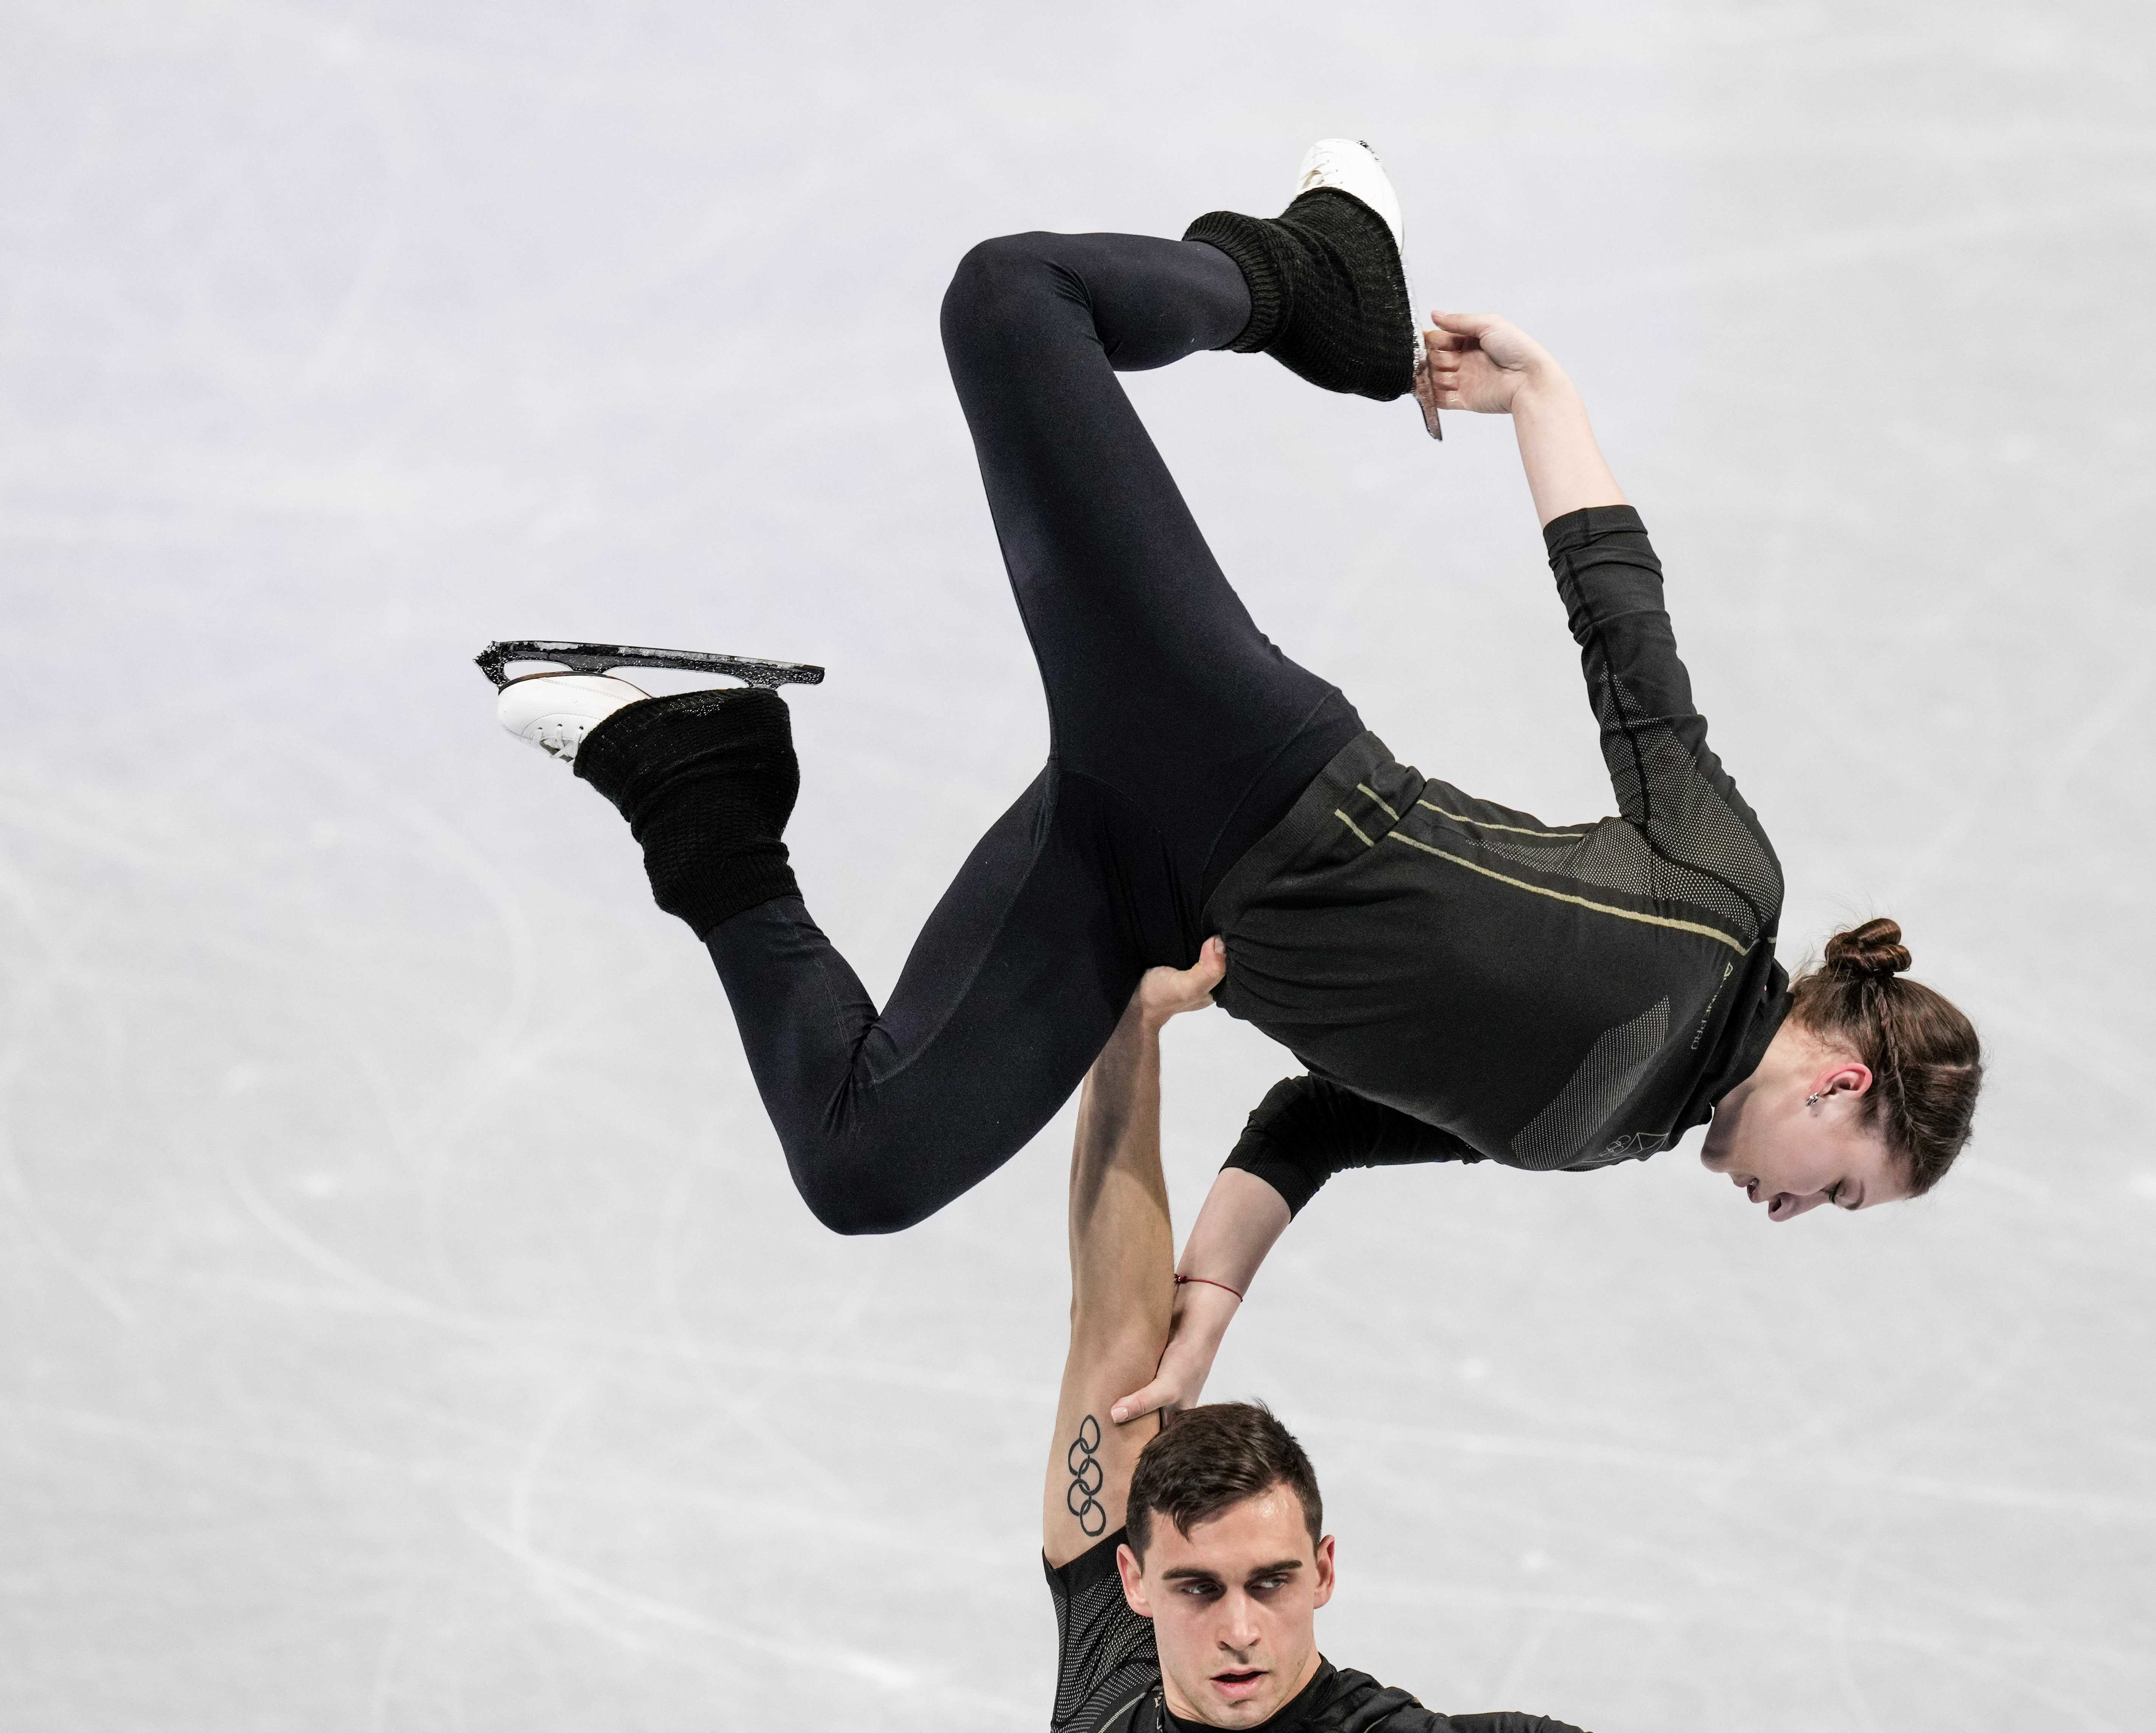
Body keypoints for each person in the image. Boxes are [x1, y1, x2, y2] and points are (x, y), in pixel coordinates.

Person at [480, 140, 1985, 1319]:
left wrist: (1205, 1304)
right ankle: (1302, 276)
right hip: (1245, 767)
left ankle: (700, 768)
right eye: (1838, 1194)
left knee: (862, 1164)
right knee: (1014, 301)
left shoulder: (1609, 1134)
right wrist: (1544, 395)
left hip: (1154, 899)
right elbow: (1626, 645)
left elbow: (1315, 1117)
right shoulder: (1718, 904)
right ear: (1840, 1089)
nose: (1794, 1217)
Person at [1043, 937, 1589, 1733]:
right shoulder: (1108, 1683)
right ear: (1132, 1582)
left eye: (1270, 1581)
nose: (1238, 1633)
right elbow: (1110, 1328)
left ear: (1322, 1571)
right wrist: (1133, 1026)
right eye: (1197, 1587)